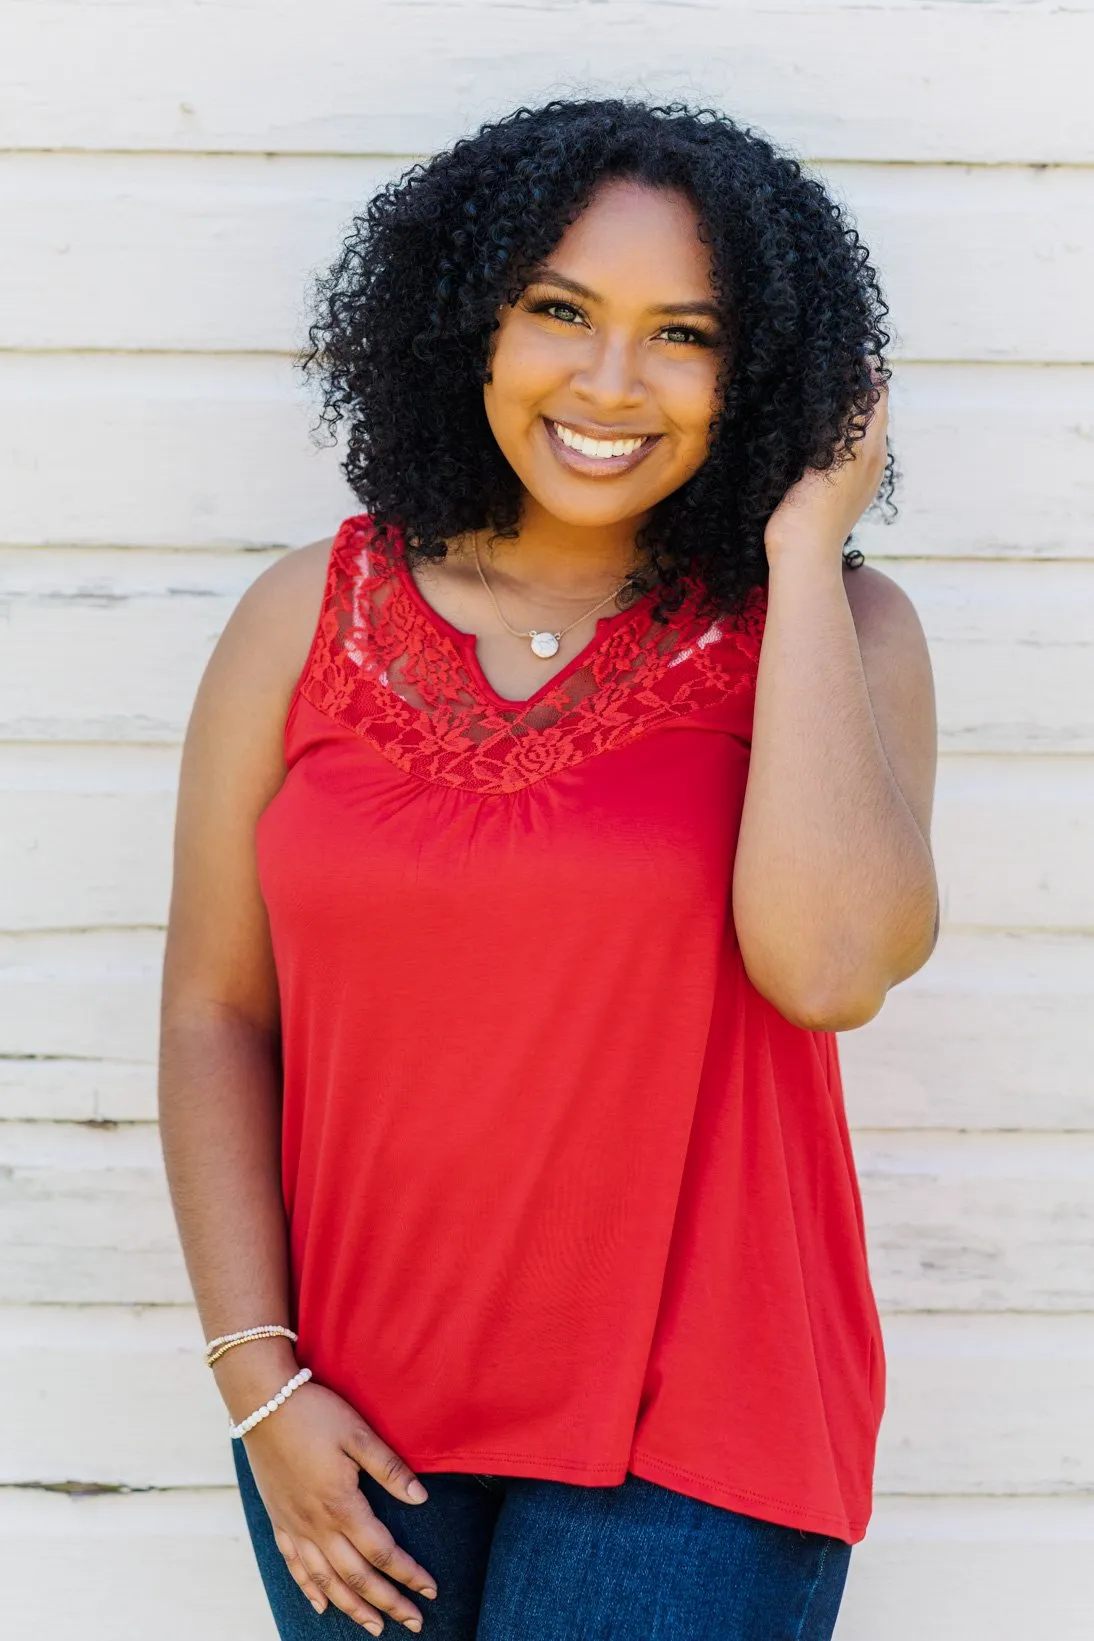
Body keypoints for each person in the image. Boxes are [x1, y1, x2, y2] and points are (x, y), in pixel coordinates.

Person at [158, 97, 939, 1640]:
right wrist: (260, 1384)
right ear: (470, 324)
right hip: (355, 1417)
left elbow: (829, 967)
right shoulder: (301, 614)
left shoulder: (841, 634)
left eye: (684, 334)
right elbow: (211, 1014)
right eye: (560, 312)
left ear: (764, 372)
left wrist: (797, 550)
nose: (608, 381)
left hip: (702, 1426)